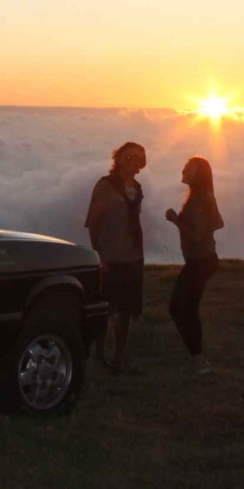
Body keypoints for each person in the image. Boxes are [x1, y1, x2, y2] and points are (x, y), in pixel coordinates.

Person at [84, 141, 147, 374]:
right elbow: (93, 222)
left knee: (126, 310)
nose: (132, 162)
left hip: (133, 256)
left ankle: (119, 357)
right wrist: (98, 256)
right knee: (106, 310)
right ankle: (98, 358)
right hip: (110, 257)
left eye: (137, 158)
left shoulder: (137, 188)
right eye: (127, 157)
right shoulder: (105, 185)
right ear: (118, 159)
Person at [165, 155, 223, 375]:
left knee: (180, 308)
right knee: (187, 308)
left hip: (200, 262)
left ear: (197, 175)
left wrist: (175, 220)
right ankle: (197, 358)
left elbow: (198, 236)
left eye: (187, 167)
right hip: (203, 260)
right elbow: (219, 222)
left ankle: (198, 360)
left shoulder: (199, 200)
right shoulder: (203, 196)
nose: (183, 169)